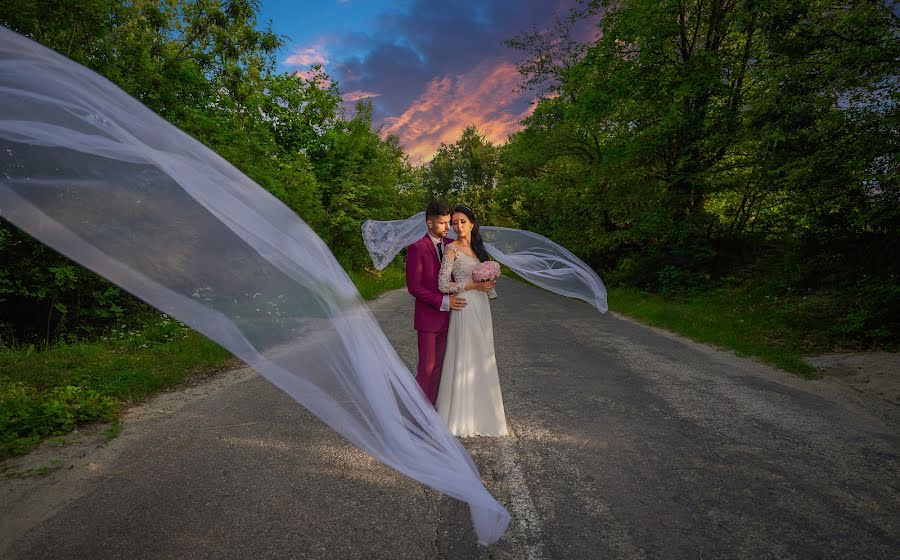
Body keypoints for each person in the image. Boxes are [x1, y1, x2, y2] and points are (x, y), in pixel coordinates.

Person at [436, 205, 508, 437]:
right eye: (454, 222)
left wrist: (488, 287)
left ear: (472, 223)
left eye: (463, 221)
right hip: (465, 305)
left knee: (483, 355)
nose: (458, 226)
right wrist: (472, 286)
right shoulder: (450, 250)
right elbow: (443, 285)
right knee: (466, 356)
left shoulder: (478, 248)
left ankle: (484, 416)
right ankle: (461, 416)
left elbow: (486, 281)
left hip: (481, 306)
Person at [405, 200, 467, 405]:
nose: (448, 227)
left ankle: (435, 412)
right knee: (427, 368)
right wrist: (443, 301)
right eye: (442, 223)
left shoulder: (452, 246)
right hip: (429, 320)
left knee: (442, 367)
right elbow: (414, 287)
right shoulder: (416, 248)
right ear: (429, 223)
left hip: (453, 319)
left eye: (448, 222)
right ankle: (419, 419)